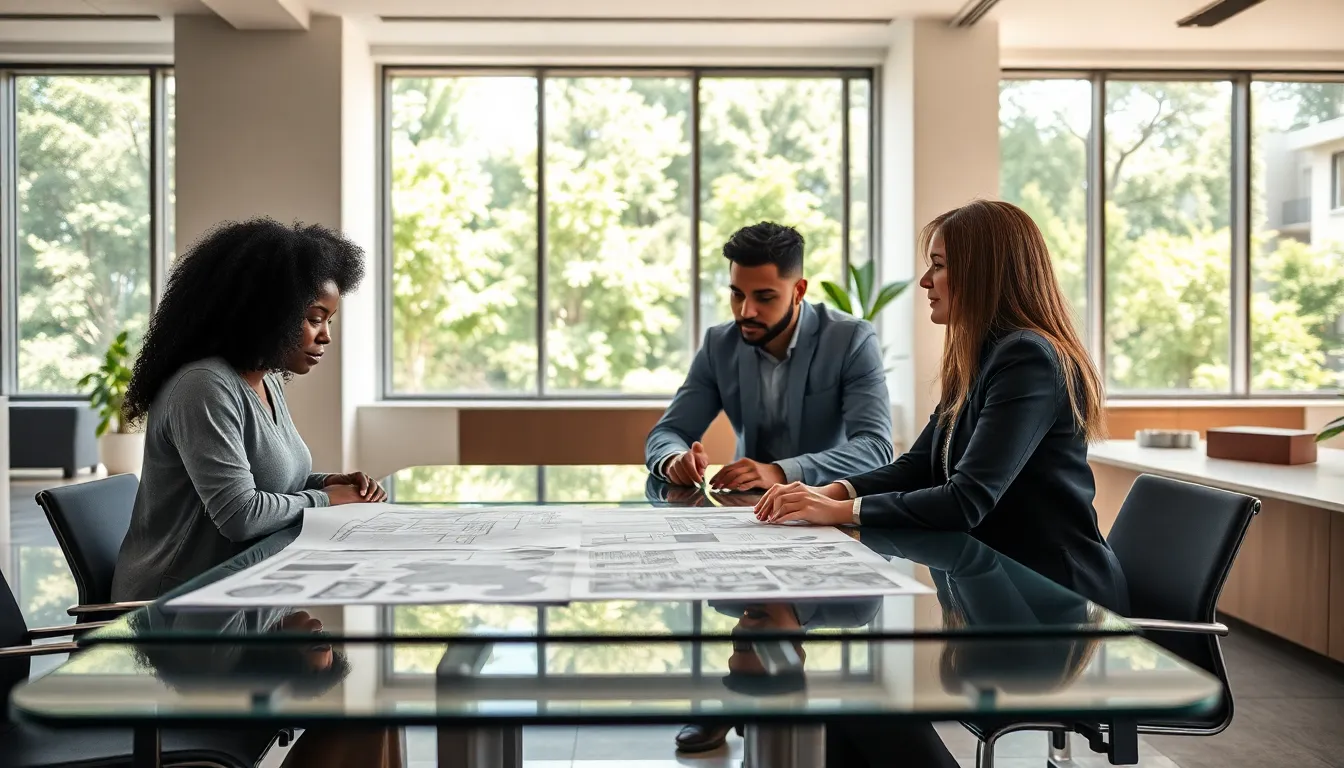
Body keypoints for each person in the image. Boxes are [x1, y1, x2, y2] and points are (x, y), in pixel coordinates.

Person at [754, 200, 1129, 615]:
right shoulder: (982, 357)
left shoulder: (1028, 358)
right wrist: (829, 491)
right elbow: (918, 466)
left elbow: (965, 500)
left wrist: (842, 511)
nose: (925, 281)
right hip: (996, 584)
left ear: (983, 275)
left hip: (1055, 596)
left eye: (939, 265)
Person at [111, 219, 388, 603]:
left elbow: (266, 483)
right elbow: (241, 516)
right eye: (314, 318)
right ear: (266, 312)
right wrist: (328, 500)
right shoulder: (202, 386)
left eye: (329, 320)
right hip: (174, 606)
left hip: (242, 587)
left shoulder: (265, 379)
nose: (325, 335)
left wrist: (325, 482)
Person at [645, 221, 893, 496]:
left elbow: (875, 448)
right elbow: (667, 433)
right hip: (744, 510)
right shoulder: (719, 344)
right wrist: (673, 460)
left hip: (826, 506)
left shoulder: (851, 340)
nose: (746, 311)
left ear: (798, 291)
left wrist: (779, 472)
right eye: (737, 294)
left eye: (764, 297)